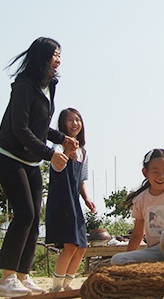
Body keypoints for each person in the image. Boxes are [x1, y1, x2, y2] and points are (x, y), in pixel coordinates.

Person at [0, 37, 79, 297]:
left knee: (33, 221)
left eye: (60, 55)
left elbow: (40, 125)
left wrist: (60, 138)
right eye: (55, 54)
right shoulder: (23, 87)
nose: (59, 60)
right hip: (10, 157)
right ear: (42, 57)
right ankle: (6, 279)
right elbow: (20, 128)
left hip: (30, 161)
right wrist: (50, 153)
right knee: (24, 215)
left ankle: (22, 275)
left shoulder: (48, 86)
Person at [46, 108, 95, 293]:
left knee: (81, 246)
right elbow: (57, 169)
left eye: (78, 120)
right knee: (70, 245)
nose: (75, 124)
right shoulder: (56, 148)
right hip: (61, 199)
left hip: (74, 200)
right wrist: (67, 150)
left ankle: (67, 283)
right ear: (62, 124)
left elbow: (81, 179)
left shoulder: (83, 152)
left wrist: (87, 199)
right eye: (70, 120)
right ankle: (57, 287)